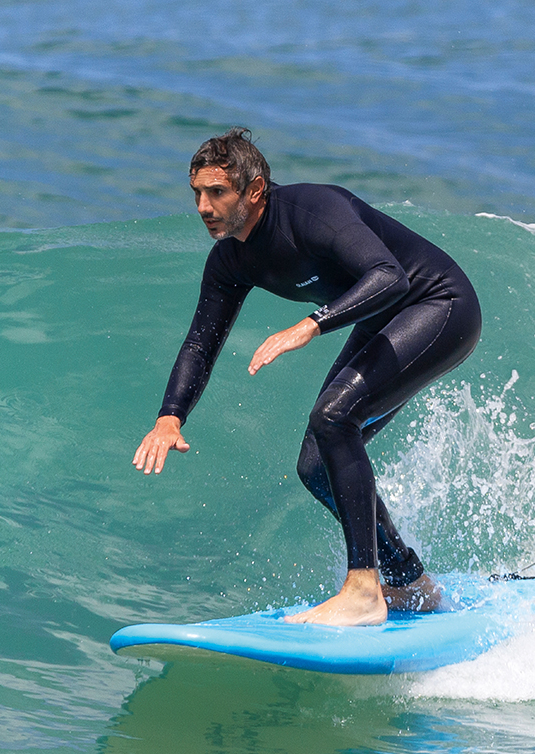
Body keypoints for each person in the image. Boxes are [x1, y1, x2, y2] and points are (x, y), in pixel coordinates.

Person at [133, 128, 481, 626]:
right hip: (388, 319)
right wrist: (170, 417)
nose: (203, 207)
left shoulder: (314, 213)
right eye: (197, 194)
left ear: (254, 191)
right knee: (317, 464)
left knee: (335, 416)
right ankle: (409, 582)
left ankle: (363, 588)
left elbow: (389, 277)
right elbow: (200, 342)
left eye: (217, 192)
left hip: (440, 305)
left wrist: (309, 325)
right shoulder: (230, 259)